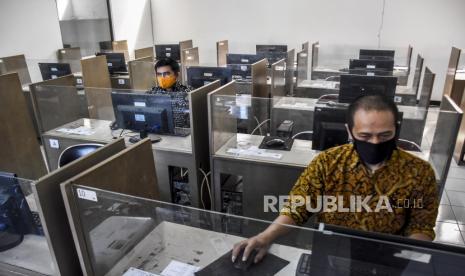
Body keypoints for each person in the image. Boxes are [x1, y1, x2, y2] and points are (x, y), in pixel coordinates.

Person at [232, 94, 439, 264]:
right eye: (365, 136)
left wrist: (413, 257)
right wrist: (265, 237)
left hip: (386, 259)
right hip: (332, 254)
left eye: (385, 135)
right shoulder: (328, 163)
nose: (375, 142)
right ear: (350, 131)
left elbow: (421, 225)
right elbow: (297, 208)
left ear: (396, 129)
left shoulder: (419, 171)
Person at [147, 57, 193, 128]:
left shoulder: (188, 92)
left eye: (166, 74)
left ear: (176, 75)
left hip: (183, 135)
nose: (162, 77)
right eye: (159, 74)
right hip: (158, 132)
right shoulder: (152, 93)